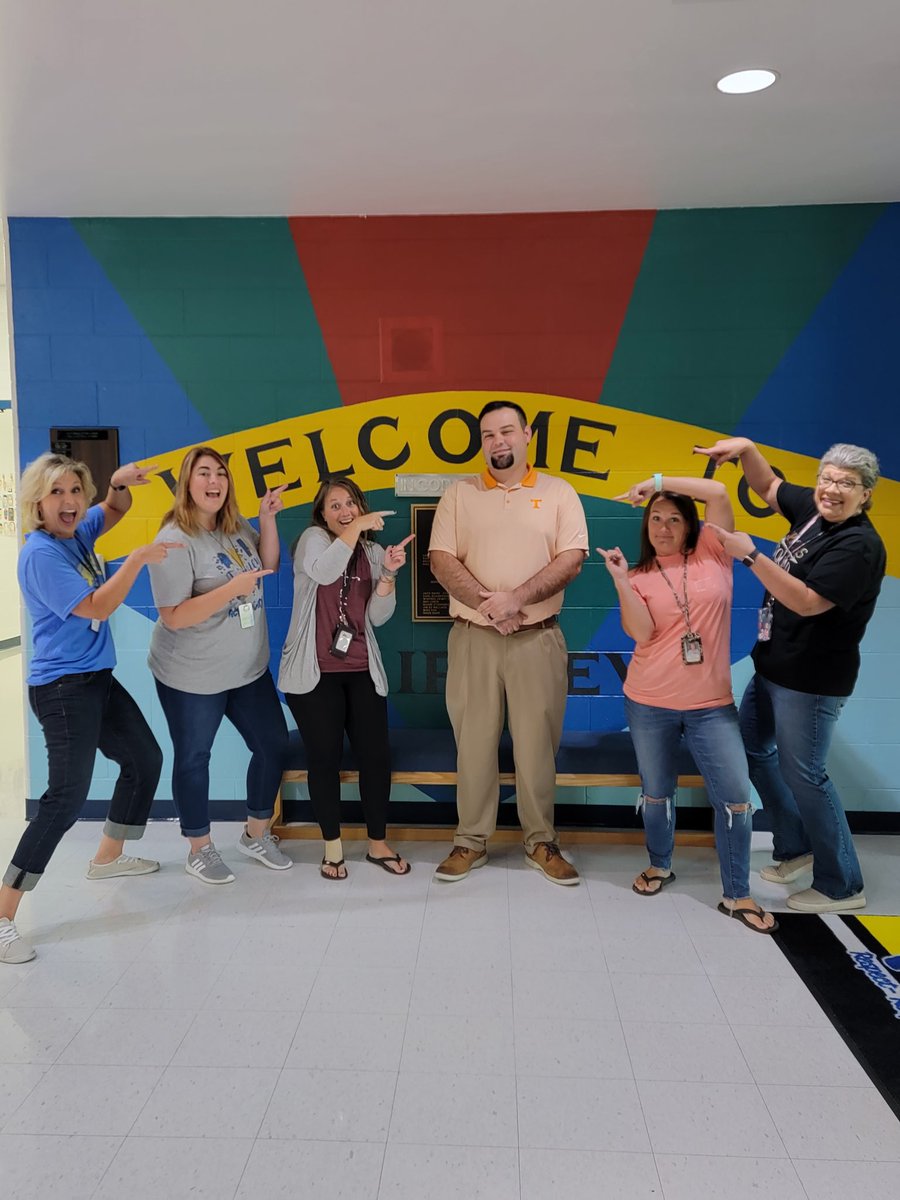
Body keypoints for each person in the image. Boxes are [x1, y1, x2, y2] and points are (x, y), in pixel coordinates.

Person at [1, 453, 176, 965]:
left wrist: (118, 483)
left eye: (75, 490)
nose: (70, 502)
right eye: (57, 492)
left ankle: (106, 859)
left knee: (145, 760)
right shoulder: (40, 554)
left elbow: (113, 510)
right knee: (64, 799)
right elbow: (97, 606)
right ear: (37, 500)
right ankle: (5, 911)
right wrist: (138, 562)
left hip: (97, 680)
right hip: (62, 689)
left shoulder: (74, 534)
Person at [699, 439, 886, 913]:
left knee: (807, 775)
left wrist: (750, 556)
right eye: (827, 478)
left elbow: (806, 601)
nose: (832, 489)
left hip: (812, 680)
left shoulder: (858, 545)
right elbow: (767, 486)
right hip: (774, 666)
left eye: (847, 484)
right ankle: (795, 848)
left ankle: (842, 884)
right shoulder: (814, 512)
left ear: (866, 493)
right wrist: (744, 449)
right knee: (755, 750)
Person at [598, 471, 777, 932]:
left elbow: (718, 491)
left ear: (689, 525)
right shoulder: (638, 575)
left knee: (736, 799)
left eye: (673, 518)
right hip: (648, 701)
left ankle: (737, 894)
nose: (662, 527)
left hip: (711, 706)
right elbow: (641, 633)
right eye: (655, 519)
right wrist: (619, 581)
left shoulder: (714, 554)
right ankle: (660, 864)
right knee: (657, 793)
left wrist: (653, 480)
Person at [428, 400, 588, 885]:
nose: (498, 442)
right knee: (473, 743)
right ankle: (469, 841)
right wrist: (489, 605)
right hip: (474, 637)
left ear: (527, 435)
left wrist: (516, 599)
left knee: (537, 746)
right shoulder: (460, 494)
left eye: (506, 432)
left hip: (536, 639)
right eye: (488, 435)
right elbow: (440, 559)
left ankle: (541, 841)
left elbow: (572, 559)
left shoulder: (560, 493)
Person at [147, 446, 291, 884]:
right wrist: (231, 590)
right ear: (187, 483)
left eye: (221, 474)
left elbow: (267, 566)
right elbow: (173, 613)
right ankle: (199, 848)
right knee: (194, 758)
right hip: (192, 675)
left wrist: (266, 520)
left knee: (273, 746)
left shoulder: (233, 527)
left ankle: (254, 833)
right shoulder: (173, 539)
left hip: (247, 669)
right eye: (203, 472)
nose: (214, 481)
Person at [279, 478, 413, 880]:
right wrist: (357, 528)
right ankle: (332, 848)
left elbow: (376, 618)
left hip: (359, 668)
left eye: (350, 503)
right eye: (334, 506)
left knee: (376, 757)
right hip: (314, 673)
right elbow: (323, 572)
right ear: (322, 514)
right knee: (325, 759)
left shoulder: (371, 552)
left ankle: (377, 843)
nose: (344, 511)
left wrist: (388, 575)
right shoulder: (312, 541)